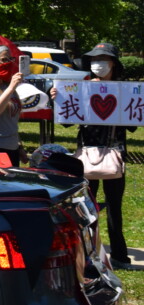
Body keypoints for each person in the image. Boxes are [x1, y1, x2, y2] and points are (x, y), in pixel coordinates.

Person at [50, 42, 135, 270]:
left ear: (114, 64)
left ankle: (119, 256)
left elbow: (133, 125)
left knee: (114, 208)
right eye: (94, 60)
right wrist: (56, 99)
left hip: (113, 155)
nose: (98, 64)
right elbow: (67, 121)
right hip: (87, 155)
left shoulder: (124, 90)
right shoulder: (82, 88)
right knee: (86, 208)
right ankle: (88, 254)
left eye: (103, 60)